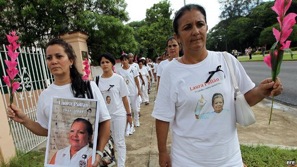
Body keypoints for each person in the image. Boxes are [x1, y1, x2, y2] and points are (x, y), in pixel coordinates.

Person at [152, 4, 283, 167]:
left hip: (229, 159)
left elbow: (245, 98)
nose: (195, 31)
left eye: (200, 24)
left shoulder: (226, 60)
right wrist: (163, 152)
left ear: (206, 27)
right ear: (177, 37)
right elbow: (163, 117)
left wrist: (263, 91)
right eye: (187, 27)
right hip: (188, 160)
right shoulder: (171, 71)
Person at [6, 38, 111, 167]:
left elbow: (105, 121)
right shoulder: (45, 95)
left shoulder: (88, 87)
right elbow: (47, 130)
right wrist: (24, 120)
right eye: (49, 58)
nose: (54, 61)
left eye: (59, 56)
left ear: (71, 60)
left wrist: (98, 153)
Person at [96, 53, 132, 167]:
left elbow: (125, 98)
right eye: (102, 62)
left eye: (107, 62)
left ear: (112, 64)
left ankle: (121, 164)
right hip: (104, 117)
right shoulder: (97, 81)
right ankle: (109, 162)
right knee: (105, 142)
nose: (105, 64)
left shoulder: (118, 79)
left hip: (119, 114)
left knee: (119, 141)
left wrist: (129, 114)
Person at [117, 54, 142, 128]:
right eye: (122, 60)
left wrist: (139, 90)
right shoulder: (119, 71)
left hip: (133, 91)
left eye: (125, 60)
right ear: (121, 62)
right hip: (125, 94)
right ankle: (129, 126)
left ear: (128, 60)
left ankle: (137, 121)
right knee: (128, 110)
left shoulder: (133, 69)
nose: (124, 61)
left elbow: (136, 80)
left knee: (135, 108)